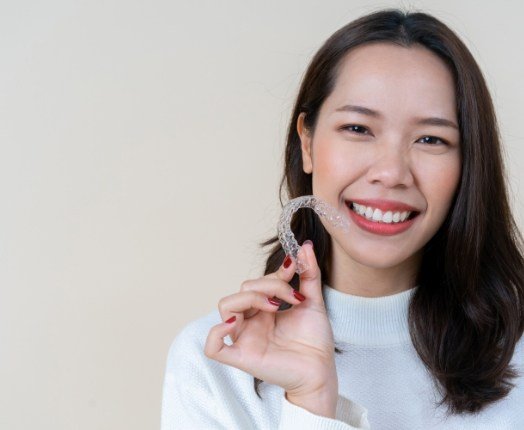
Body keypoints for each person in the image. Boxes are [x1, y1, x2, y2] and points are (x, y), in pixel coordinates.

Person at [161, 9, 524, 429]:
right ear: (308, 142)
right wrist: (312, 402)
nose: (391, 173)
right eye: (357, 128)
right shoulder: (217, 361)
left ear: (468, 164)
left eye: (431, 139)